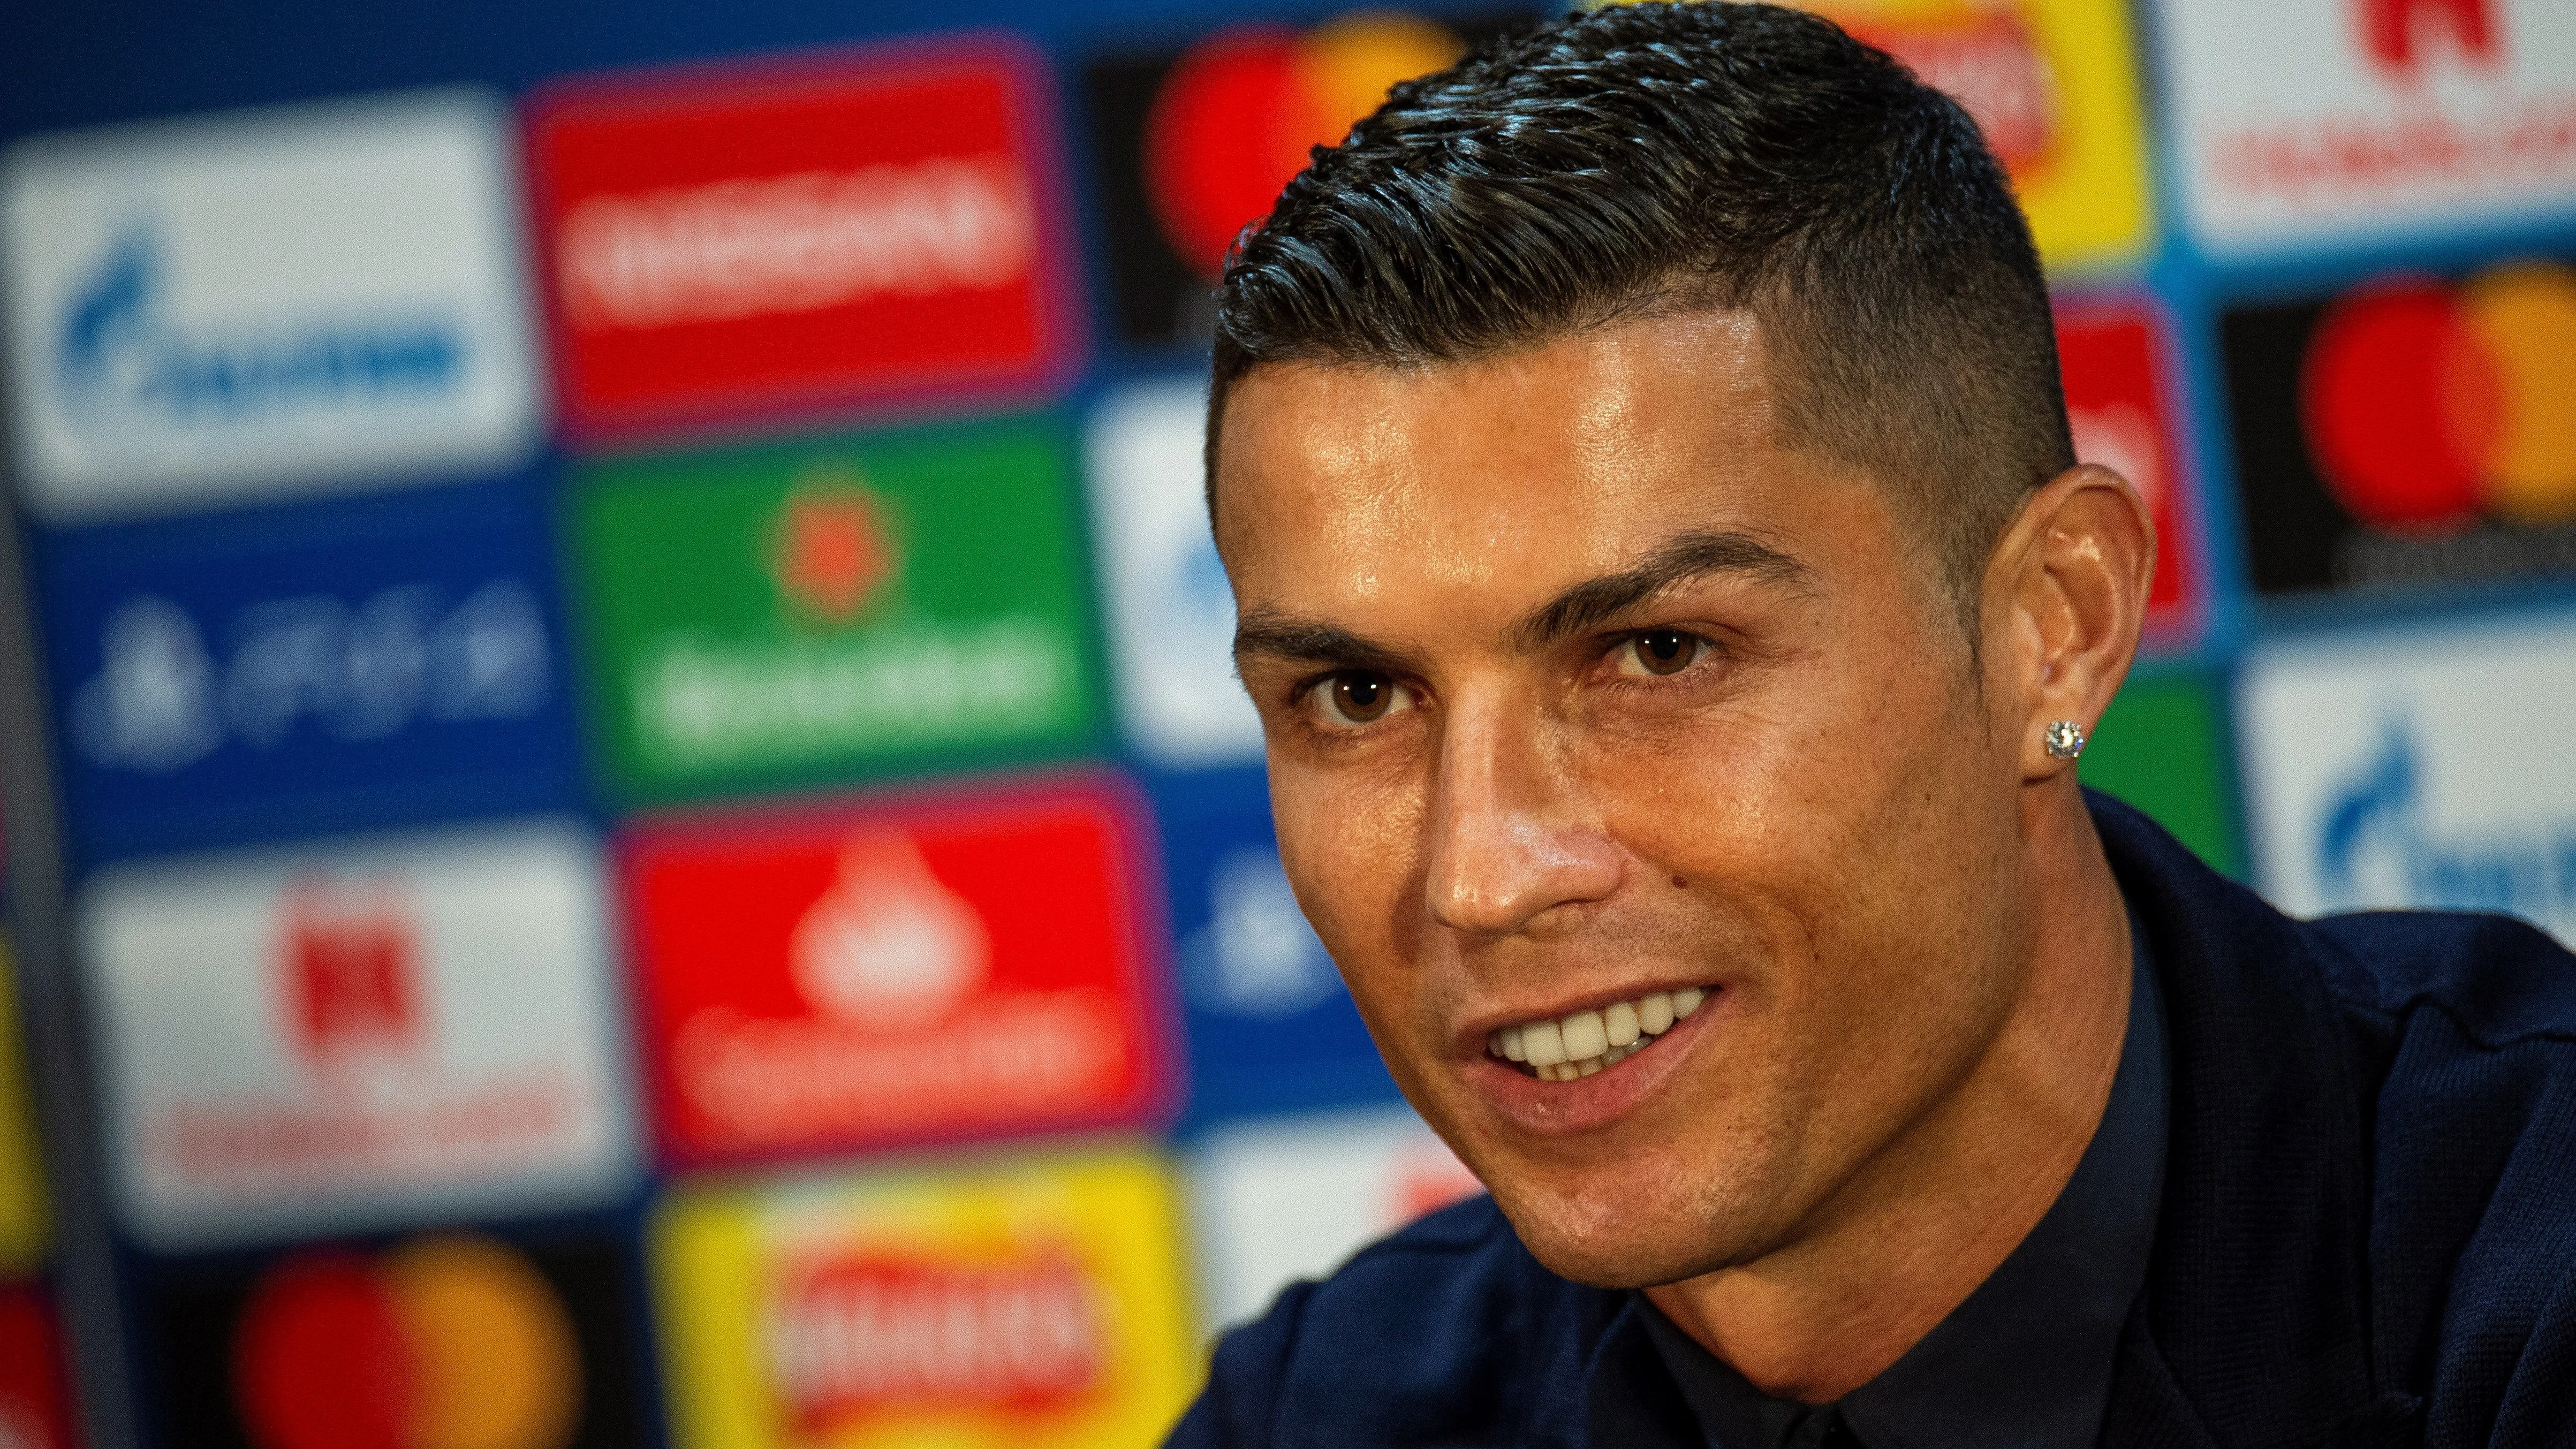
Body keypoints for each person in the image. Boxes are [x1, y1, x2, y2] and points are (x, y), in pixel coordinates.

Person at [1164, 5, 2576, 1447]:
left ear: (2052, 627)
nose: (1481, 873)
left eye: (1655, 654)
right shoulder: (1323, 1414)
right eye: (1356, 697)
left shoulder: (2529, 1280)